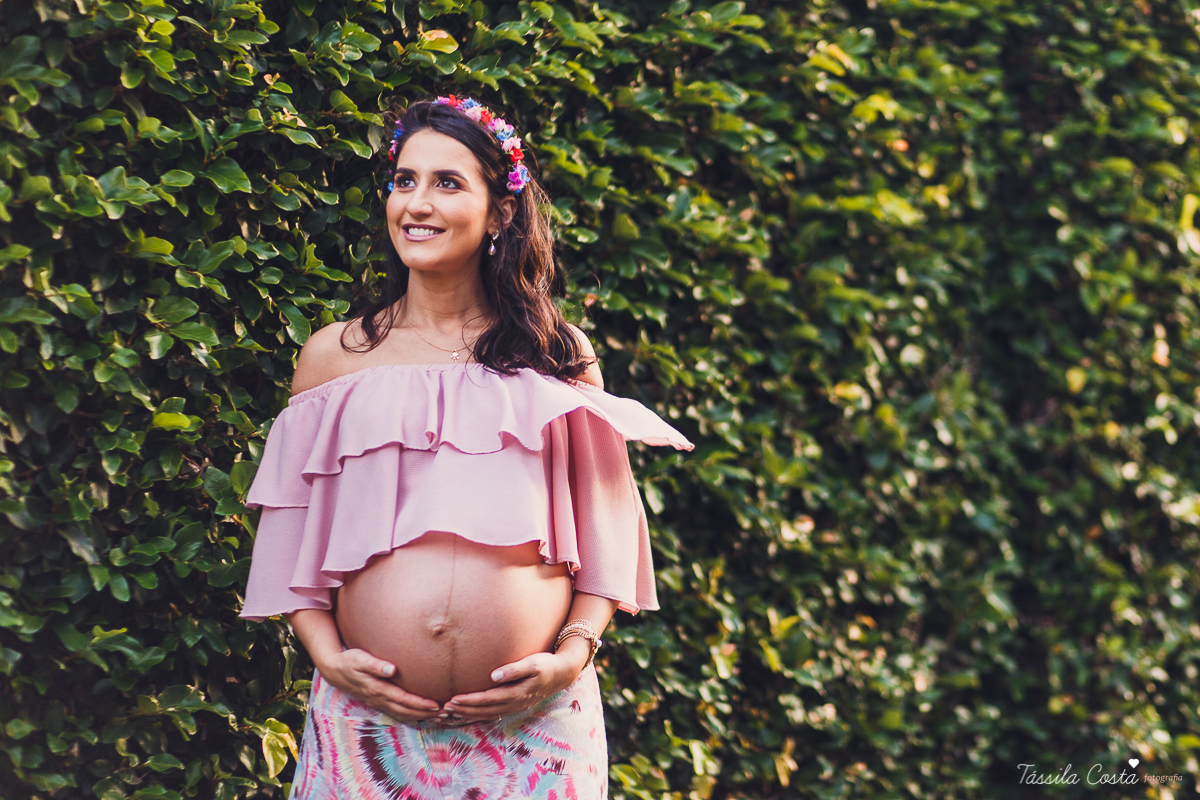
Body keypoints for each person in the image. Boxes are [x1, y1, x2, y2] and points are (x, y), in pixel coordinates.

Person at [239, 96, 693, 800]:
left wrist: (572, 658)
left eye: (448, 183)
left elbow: (608, 532)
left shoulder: (557, 354)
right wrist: (327, 659)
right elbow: (292, 530)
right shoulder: (335, 357)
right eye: (404, 180)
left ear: (500, 212)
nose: (417, 203)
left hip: (536, 729)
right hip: (368, 727)